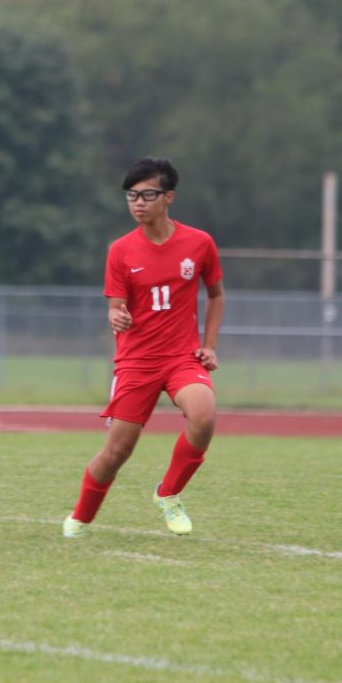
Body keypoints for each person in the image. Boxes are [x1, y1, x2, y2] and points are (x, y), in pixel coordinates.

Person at [62, 157, 224, 539]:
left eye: (147, 195)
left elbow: (215, 294)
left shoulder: (199, 243)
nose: (137, 203)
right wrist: (115, 317)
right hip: (136, 362)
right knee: (117, 452)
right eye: (131, 196)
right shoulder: (120, 250)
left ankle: (168, 494)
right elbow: (115, 306)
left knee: (204, 416)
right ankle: (81, 518)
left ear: (168, 197)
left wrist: (210, 345)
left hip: (181, 357)